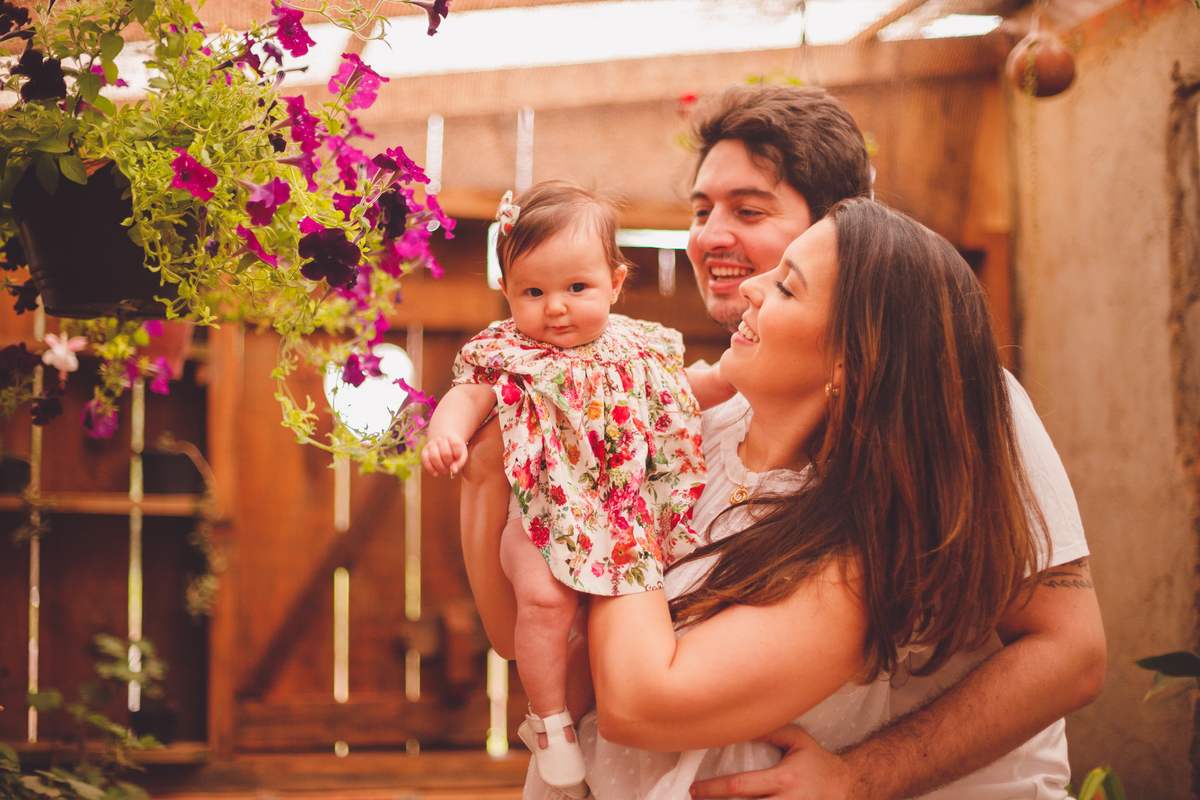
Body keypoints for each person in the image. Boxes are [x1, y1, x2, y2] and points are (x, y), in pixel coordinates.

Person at [462, 84, 1105, 799]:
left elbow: (1070, 651)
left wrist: (866, 777)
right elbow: (554, 629)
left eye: (749, 210)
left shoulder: (953, 412)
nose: (709, 237)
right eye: (701, 210)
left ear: (840, 230)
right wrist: (490, 478)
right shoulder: (702, 422)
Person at [421, 181, 726, 795]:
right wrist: (445, 434)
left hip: (620, 524)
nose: (554, 307)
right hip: (539, 517)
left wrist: (741, 385)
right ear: (507, 292)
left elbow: (689, 393)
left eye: (576, 288)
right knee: (545, 602)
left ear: (614, 283)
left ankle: (577, 719)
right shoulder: (511, 353)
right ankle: (549, 720)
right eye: (532, 292)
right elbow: (469, 396)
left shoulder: (641, 350)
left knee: (602, 634)